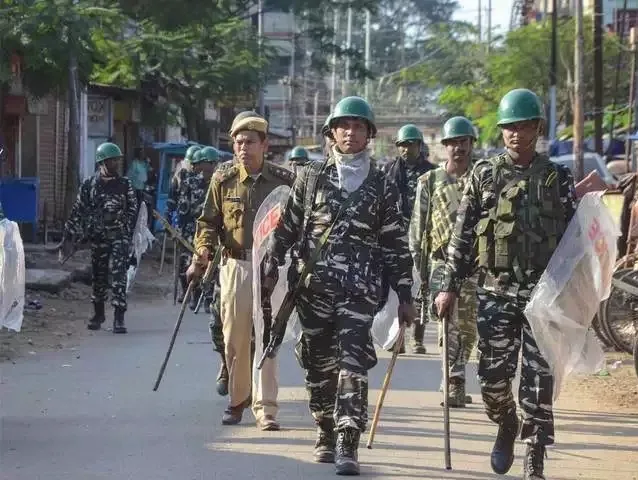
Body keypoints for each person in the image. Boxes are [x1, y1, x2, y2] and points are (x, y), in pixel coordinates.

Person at [262, 96, 416, 476]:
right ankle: (325, 429)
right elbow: (288, 227)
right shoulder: (311, 177)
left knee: (352, 362)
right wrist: (271, 263)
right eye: (344, 125)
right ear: (331, 132)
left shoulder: (382, 185)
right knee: (318, 366)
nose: (351, 132)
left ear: (369, 135)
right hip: (312, 291)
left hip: (360, 292)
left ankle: (348, 438)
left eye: (359, 126)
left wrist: (406, 295)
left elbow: (395, 242)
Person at [434, 88, 577, 480]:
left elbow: (575, 242)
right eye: (509, 127)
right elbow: (462, 237)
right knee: (492, 382)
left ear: (537, 128)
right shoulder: (484, 175)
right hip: (495, 293)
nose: (515, 133)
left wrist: (577, 293)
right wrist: (447, 286)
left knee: (538, 379)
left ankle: (535, 453)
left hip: (543, 298)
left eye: (523, 126)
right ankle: (506, 423)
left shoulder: (557, 178)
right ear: (501, 132)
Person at [187, 111, 294, 431]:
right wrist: (202, 251)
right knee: (234, 339)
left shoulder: (285, 181)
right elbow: (207, 222)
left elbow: (296, 226)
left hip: (271, 268)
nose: (243, 148)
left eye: (250, 142)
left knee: (267, 339)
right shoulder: (223, 179)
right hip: (235, 266)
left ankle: (266, 408)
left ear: (265, 144)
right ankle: (237, 401)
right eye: (238, 142)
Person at [409, 116, 478, 408]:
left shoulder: (481, 177)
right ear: (445, 146)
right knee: (447, 325)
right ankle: (452, 381)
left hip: (475, 266)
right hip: (440, 265)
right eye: (453, 143)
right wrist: (419, 272)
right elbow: (418, 228)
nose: (458, 148)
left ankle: (458, 374)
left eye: (464, 142)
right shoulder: (430, 181)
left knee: (468, 327)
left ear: (471, 144)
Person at [62, 142, 138, 333]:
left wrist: (126, 229)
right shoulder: (89, 185)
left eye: (116, 160)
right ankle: (98, 314)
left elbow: (132, 208)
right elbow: (78, 209)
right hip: (98, 237)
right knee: (99, 275)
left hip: (119, 236)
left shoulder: (124, 184)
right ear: (101, 162)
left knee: (120, 276)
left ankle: (119, 317)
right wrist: (69, 233)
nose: (115, 163)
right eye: (111, 160)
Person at [381, 124, 436, 355]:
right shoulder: (388, 171)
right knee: (396, 290)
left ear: (419, 146)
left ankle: (418, 338)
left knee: (421, 288)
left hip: (423, 238)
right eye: (402, 145)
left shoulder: (432, 173)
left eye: (410, 144)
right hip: (396, 238)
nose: (406, 149)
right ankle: (397, 338)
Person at [177, 146, 220, 311]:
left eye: (214, 163)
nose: (212, 166)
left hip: (213, 231)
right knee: (192, 263)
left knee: (212, 265)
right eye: (210, 163)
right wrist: (180, 230)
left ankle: (209, 298)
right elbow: (183, 208)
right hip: (192, 231)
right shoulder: (190, 182)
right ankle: (194, 296)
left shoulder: (219, 182)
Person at [166, 144, 201, 302]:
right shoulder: (179, 178)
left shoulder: (203, 180)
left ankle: (196, 293)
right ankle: (184, 290)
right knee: (182, 262)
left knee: (199, 261)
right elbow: (171, 202)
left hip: (199, 228)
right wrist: (169, 222)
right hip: (183, 227)